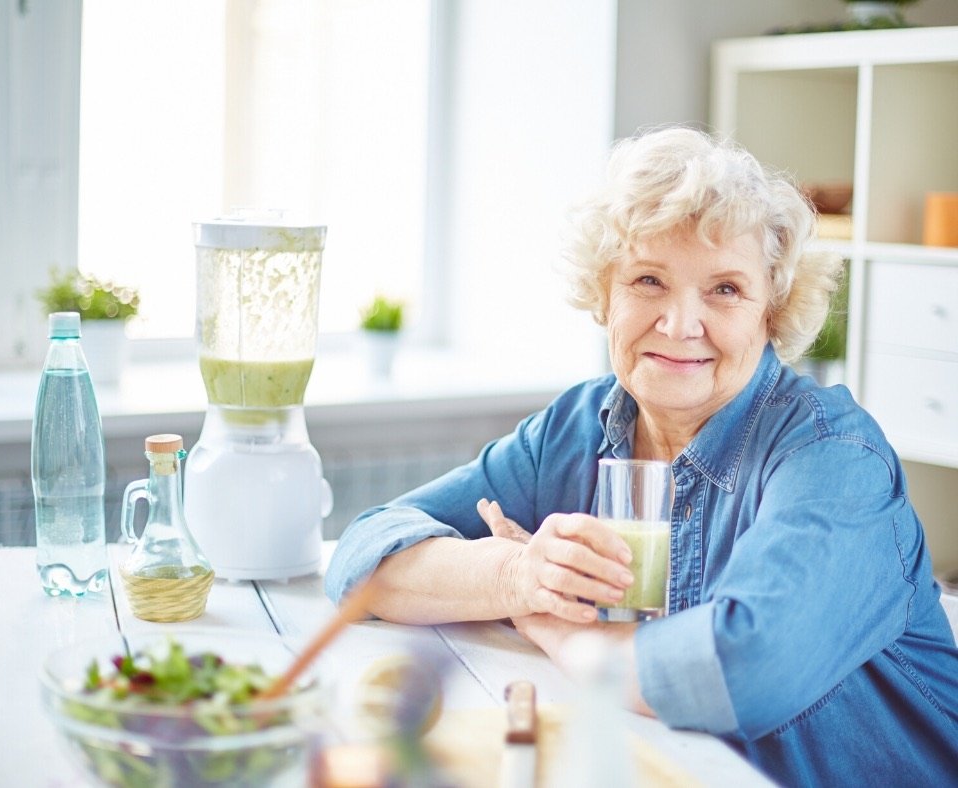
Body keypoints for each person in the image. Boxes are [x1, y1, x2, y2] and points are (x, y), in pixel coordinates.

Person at [325, 126, 958, 786]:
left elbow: (747, 671)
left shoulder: (833, 456)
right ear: (604, 295)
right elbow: (364, 557)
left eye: (725, 290)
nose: (681, 325)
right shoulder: (579, 425)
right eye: (649, 280)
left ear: (772, 310)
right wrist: (518, 575)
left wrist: (567, 637)